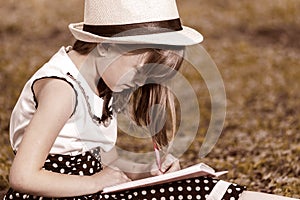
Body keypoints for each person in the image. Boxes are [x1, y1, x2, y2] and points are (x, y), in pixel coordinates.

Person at [4, 0, 297, 199]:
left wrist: (142, 171)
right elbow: (24, 176)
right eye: (140, 72)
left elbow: (93, 156)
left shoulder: (98, 83)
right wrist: (93, 183)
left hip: (84, 188)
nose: (139, 84)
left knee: (192, 187)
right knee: (193, 193)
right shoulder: (61, 90)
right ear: (105, 47)